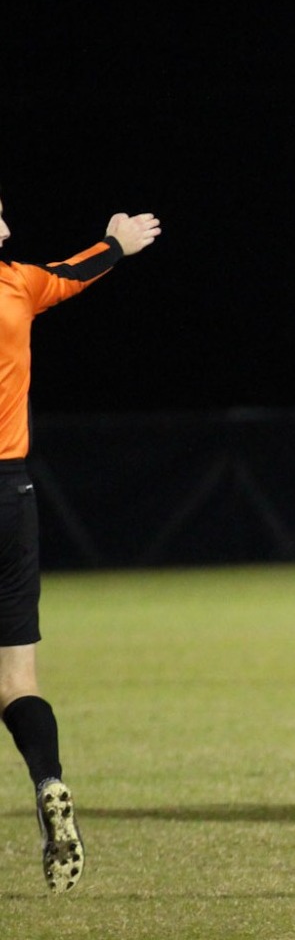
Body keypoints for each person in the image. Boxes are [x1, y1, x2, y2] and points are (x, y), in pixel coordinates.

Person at [1, 197, 161, 890]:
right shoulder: (17, 285)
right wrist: (117, 243)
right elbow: (78, 269)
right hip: (11, 497)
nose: (7, 223)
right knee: (17, 681)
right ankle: (49, 780)